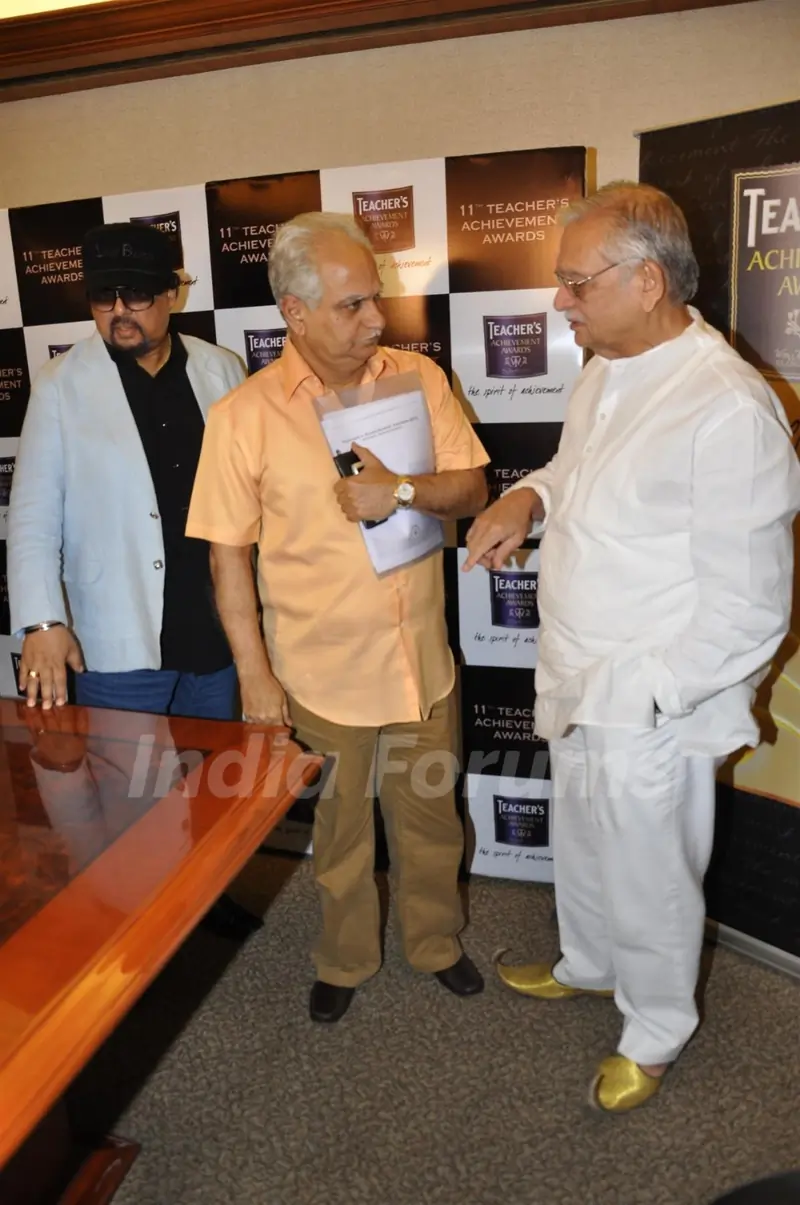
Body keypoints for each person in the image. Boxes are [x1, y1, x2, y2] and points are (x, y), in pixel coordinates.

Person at [464, 182, 800, 1113]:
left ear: (647, 281)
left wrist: (647, 697)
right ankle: (589, 962)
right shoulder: (605, 366)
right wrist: (527, 496)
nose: (559, 301)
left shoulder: (726, 407)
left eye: (576, 282)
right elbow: (573, 470)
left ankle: (655, 1030)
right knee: (581, 839)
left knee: (651, 875)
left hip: (649, 697)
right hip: (576, 668)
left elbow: (750, 608)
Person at [186, 211, 489, 1021]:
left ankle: (436, 943)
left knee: (431, 819)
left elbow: (472, 489)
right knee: (342, 835)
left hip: (421, 662)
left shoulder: (420, 380)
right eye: (352, 305)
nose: (376, 319)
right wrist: (255, 675)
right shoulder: (243, 417)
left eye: (374, 299)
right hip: (319, 677)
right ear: (294, 311)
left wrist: (401, 490)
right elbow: (226, 559)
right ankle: (346, 959)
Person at [8, 221, 258, 938]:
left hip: (213, 623)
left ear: (173, 293)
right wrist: (43, 622)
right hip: (115, 631)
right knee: (127, 796)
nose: (119, 311)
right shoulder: (61, 384)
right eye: (103, 297)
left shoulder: (221, 370)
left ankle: (208, 892)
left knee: (211, 776)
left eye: (137, 295)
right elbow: (32, 515)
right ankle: (135, 914)